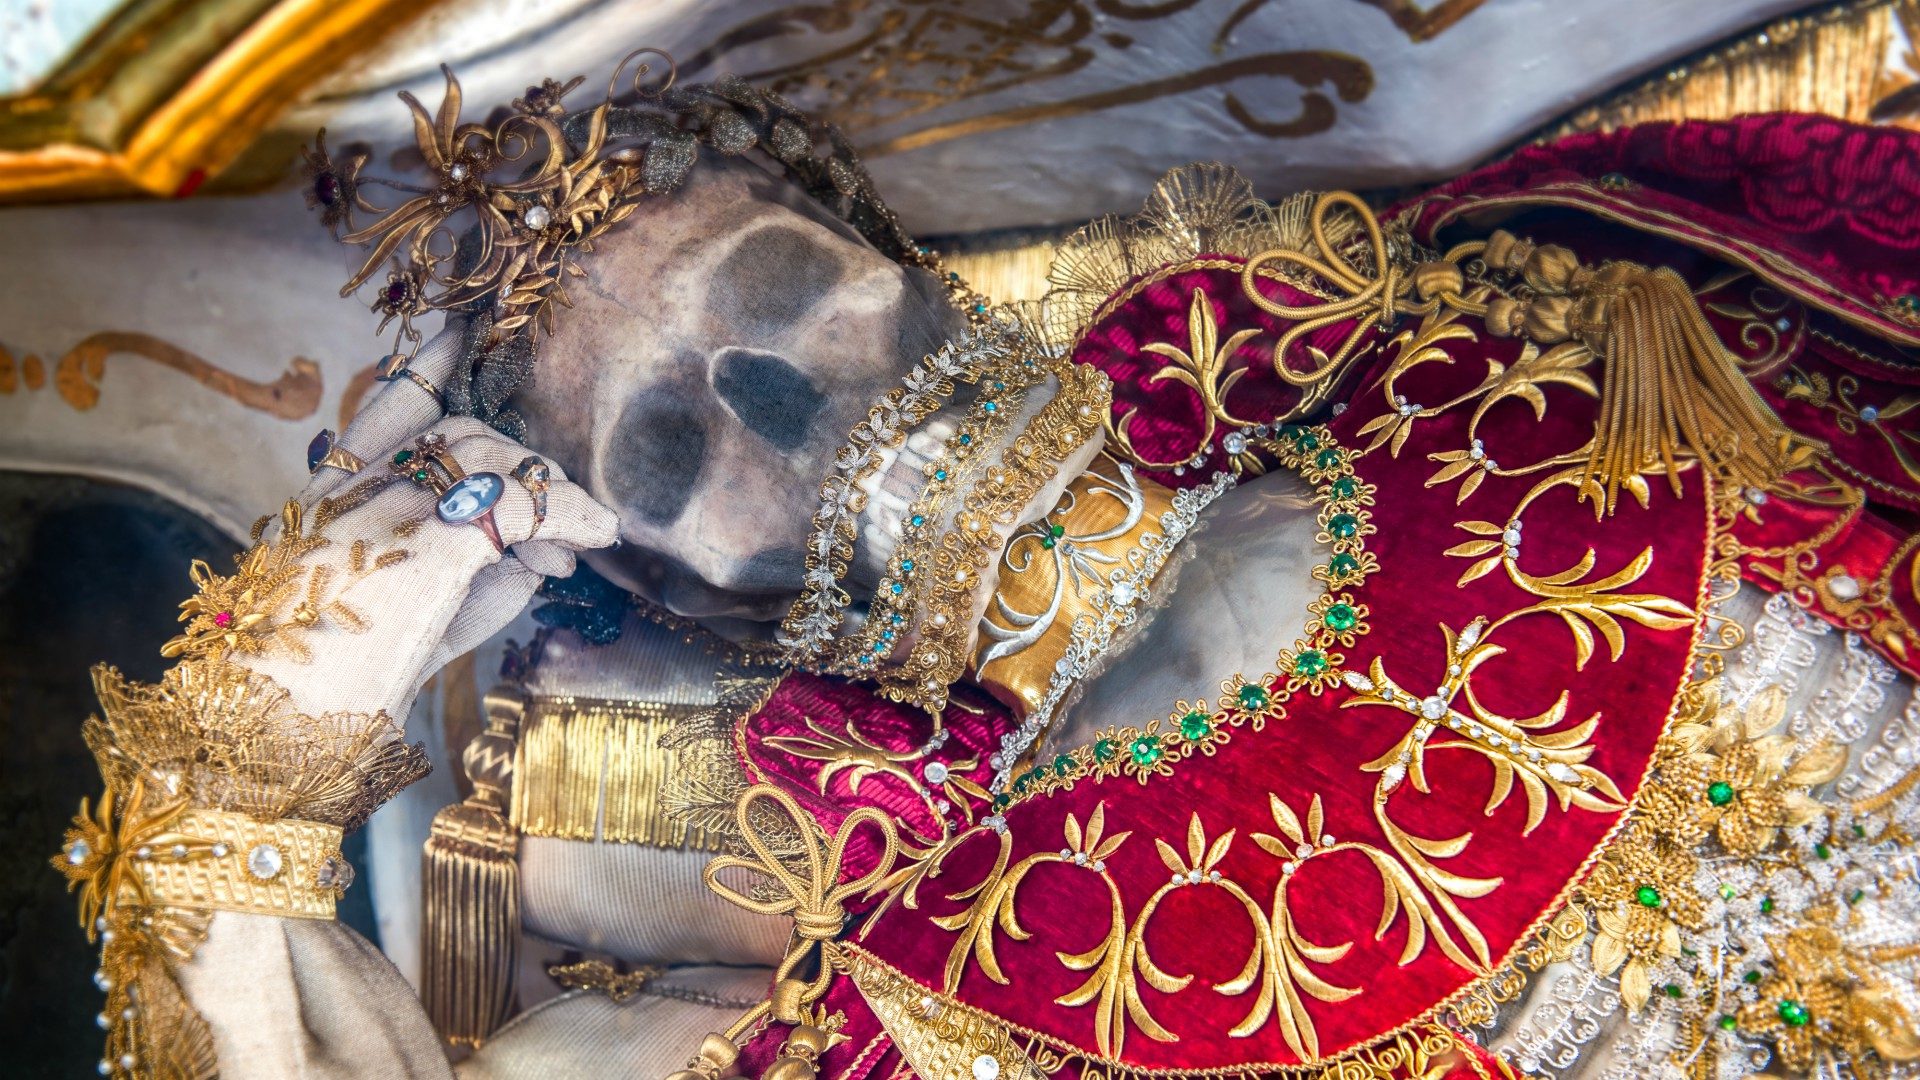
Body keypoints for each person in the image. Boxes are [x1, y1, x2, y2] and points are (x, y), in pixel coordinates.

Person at [56, 58, 1920, 1080]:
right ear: (689, 588)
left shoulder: (1507, 340)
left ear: (917, 272)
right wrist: (238, 761)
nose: (788, 410)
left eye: (784, 297)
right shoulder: (927, 1009)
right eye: (670, 449)